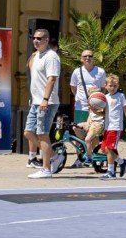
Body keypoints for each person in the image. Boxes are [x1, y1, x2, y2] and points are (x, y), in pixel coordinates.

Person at [26, 28, 62, 178]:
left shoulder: (51, 56)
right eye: (34, 38)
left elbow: (51, 79)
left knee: (42, 134)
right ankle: (54, 156)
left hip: (47, 102)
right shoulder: (37, 56)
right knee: (28, 132)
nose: (35, 40)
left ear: (47, 40)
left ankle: (46, 169)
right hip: (36, 102)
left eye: (39, 38)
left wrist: (45, 99)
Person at [98, 73, 126, 179]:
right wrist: (94, 110)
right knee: (104, 149)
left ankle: (111, 172)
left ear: (118, 86)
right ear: (106, 86)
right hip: (107, 127)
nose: (112, 88)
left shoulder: (120, 96)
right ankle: (122, 162)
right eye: (110, 86)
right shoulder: (105, 98)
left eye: (115, 86)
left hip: (116, 127)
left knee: (109, 148)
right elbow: (104, 113)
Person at [70, 49, 106, 127]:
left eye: (90, 56)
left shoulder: (101, 71)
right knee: (79, 129)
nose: (87, 58)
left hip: (96, 108)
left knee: (94, 132)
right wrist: (80, 96)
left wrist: (97, 98)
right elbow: (73, 88)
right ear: (81, 59)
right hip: (81, 107)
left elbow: (103, 88)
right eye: (85, 56)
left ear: (93, 58)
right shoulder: (76, 72)